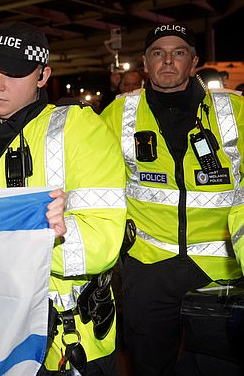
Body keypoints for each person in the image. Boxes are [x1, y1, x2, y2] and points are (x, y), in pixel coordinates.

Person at [0, 21, 127, 375]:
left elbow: (101, 244)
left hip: (66, 337)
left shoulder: (80, 129)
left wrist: (23, 236)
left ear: (43, 76)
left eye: (13, 73)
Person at [101, 23, 244, 375]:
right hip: (149, 266)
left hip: (222, 269)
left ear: (193, 62)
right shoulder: (118, 115)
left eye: (178, 53)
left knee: (219, 366)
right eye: (157, 53)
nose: (167, 60)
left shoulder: (235, 110)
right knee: (149, 364)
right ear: (144, 64)